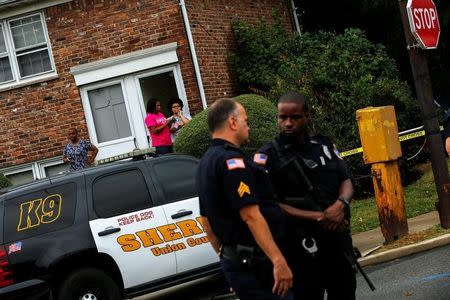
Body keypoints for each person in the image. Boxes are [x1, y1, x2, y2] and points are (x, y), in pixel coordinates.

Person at [255, 91, 356, 300]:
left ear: (307, 116)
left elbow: (345, 179)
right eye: (283, 117)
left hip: (336, 240)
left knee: (345, 292)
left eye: (295, 117)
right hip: (299, 247)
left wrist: (340, 204)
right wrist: (319, 217)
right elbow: (270, 203)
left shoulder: (323, 145)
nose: (288, 123)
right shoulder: (267, 156)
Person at [196, 98, 293, 300]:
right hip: (259, 265)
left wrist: (231, 263)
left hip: (240, 261)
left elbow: (206, 223)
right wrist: (277, 260)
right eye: (245, 121)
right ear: (232, 123)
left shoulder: (204, 163)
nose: (248, 126)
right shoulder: (232, 162)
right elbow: (250, 215)